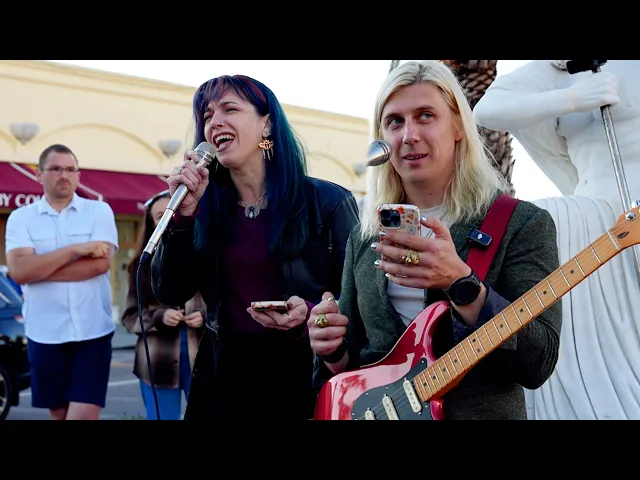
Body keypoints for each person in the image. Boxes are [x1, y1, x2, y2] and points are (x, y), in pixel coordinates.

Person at [308, 60, 562, 420]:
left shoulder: (521, 224)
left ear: (458, 125)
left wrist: (462, 284)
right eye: (394, 121)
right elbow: (355, 368)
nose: (409, 135)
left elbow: (539, 362)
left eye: (425, 116)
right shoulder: (364, 237)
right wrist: (331, 349)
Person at [149, 74, 359, 421]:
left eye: (230, 109)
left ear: (267, 124)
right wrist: (183, 219)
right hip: (223, 377)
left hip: (302, 376)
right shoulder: (202, 206)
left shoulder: (328, 202)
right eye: (207, 115)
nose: (215, 122)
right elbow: (170, 290)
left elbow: (359, 299)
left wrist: (311, 312)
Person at [473, 60, 640, 420]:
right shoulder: (559, 72)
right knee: (557, 216)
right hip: (603, 227)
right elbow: (487, 109)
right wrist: (571, 99)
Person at [4, 144, 118, 420]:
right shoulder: (21, 218)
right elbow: (19, 271)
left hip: (93, 331)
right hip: (44, 332)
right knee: (59, 414)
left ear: (78, 175)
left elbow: (99, 265)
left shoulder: (99, 211)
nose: (64, 175)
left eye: (70, 169)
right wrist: (74, 250)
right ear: (39, 174)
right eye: (55, 169)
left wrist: (37, 270)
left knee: (83, 415)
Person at [121, 189, 206, 420]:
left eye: (175, 211)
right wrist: (159, 317)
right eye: (161, 215)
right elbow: (129, 318)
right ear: (152, 224)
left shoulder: (205, 255)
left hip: (202, 359)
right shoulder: (141, 264)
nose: (169, 218)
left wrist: (204, 316)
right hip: (157, 364)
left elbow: (226, 305)